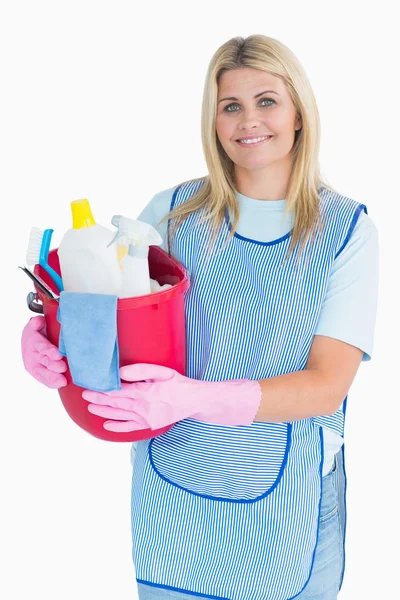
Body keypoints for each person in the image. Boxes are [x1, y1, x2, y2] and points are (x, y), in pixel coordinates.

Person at [21, 34, 379, 600]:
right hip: (175, 495)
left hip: (288, 500)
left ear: (299, 113)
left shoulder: (345, 231)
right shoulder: (172, 212)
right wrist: (42, 329)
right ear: (213, 122)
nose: (248, 121)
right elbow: (100, 304)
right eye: (230, 106)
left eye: (267, 101)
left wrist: (190, 399)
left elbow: (326, 387)